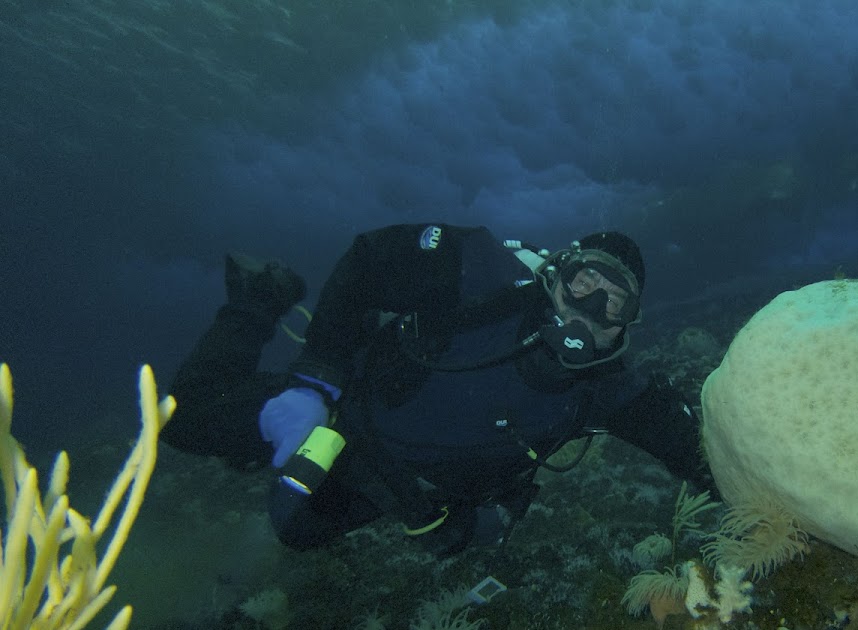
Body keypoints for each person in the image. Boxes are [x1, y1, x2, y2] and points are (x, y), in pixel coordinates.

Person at [163, 223, 711, 554]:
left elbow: (696, 450)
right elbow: (370, 258)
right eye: (585, 282)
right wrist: (316, 379)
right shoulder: (481, 274)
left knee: (301, 533)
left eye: (615, 302)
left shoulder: (606, 388)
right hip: (340, 410)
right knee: (181, 419)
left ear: (625, 328)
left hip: (396, 484)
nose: (590, 308)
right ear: (555, 274)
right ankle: (261, 297)